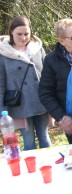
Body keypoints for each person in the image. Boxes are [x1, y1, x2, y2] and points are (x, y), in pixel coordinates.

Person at [0, 16, 51, 150]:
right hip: (19, 106)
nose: (23, 37)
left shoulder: (38, 49)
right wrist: (2, 111)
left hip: (41, 102)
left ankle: (49, 169)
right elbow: (1, 85)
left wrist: (52, 100)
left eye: (26, 34)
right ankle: (31, 170)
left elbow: (48, 76)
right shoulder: (3, 54)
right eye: (19, 34)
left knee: (45, 138)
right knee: (28, 142)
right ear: (11, 32)